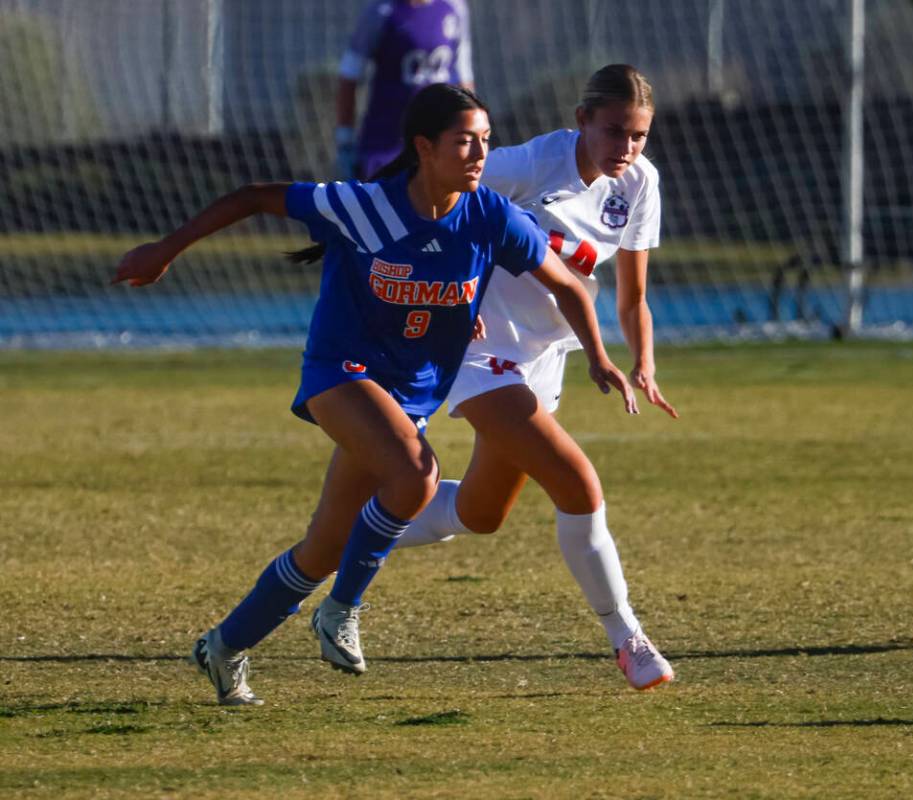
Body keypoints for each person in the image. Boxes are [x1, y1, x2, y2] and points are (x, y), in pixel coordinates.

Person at [112, 83, 635, 706]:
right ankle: (341, 612)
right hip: (341, 372)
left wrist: (600, 358)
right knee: (417, 476)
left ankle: (222, 646)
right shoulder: (363, 206)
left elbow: (570, 288)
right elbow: (253, 196)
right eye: (464, 141)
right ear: (423, 147)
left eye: (485, 141)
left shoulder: (490, 215)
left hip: (408, 394)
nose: (478, 154)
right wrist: (164, 250)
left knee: (323, 547)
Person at [307, 64, 679, 692]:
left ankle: (349, 541)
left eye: (639, 135)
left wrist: (642, 359)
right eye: (615, 130)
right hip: (480, 354)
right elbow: (434, 194)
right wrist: (457, 297)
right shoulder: (530, 164)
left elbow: (631, 293)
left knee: (481, 512)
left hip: (542, 359)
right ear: (582, 119)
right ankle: (628, 639)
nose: (627, 146)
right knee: (577, 482)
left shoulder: (639, 184)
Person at [335, 0, 473, 180]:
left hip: (437, 147)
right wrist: (345, 139)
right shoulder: (381, 11)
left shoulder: (454, 7)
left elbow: (463, 77)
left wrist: (470, 134)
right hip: (384, 147)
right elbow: (349, 75)